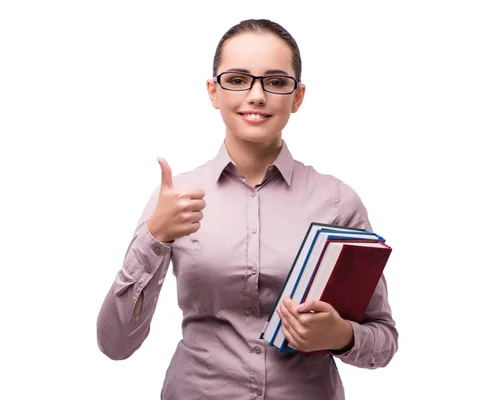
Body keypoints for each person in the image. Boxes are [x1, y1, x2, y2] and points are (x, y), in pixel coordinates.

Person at [97, 18, 398, 400]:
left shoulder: (337, 202)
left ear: (298, 96)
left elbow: (384, 340)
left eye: (275, 82)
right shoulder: (176, 198)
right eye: (238, 79)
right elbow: (114, 343)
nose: (256, 95)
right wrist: (154, 236)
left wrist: (340, 336)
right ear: (213, 91)